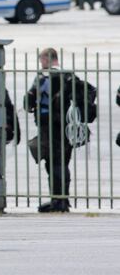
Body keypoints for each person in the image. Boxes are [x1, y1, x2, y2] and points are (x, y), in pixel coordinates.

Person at [24, 48, 95, 213]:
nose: (41, 64)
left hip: (49, 127)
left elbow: (29, 103)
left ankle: (58, 201)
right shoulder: (69, 76)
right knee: (63, 162)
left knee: (54, 163)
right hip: (68, 127)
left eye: (42, 60)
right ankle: (62, 199)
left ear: (47, 59)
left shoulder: (44, 78)